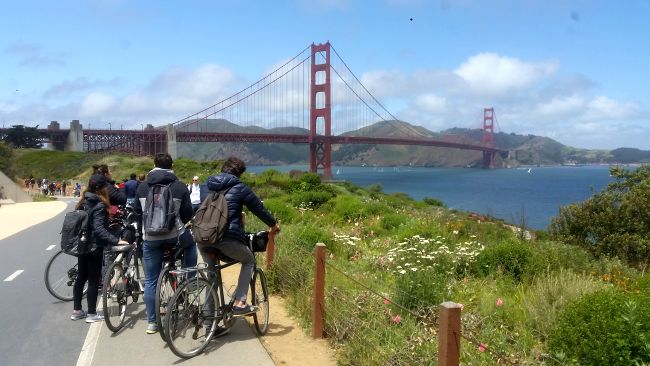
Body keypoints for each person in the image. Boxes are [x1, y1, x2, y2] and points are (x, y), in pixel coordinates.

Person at [205, 157, 280, 316]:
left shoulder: (207, 185)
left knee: (211, 278)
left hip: (203, 238)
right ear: (238, 173)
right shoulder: (239, 187)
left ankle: (208, 323)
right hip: (225, 238)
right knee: (249, 261)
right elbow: (258, 209)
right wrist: (273, 225)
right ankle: (240, 302)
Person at [133, 153, 197, 334]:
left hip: (151, 238)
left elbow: (138, 213)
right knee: (191, 245)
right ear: (172, 165)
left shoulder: (142, 186)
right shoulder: (179, 186)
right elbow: (187, 214)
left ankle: (152, 323)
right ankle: (191, 280)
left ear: (154, 165)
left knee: (152, 280)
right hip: (174, 236)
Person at [71, 174, 129, 323]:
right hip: (94, 246)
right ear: (103, 188)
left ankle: (77, 310)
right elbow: (99, 229)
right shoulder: (99, 205)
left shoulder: (83, 200)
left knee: (81, 277)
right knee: (93, 280)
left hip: (81, 244)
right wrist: (117, 240)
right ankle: (91, 314)